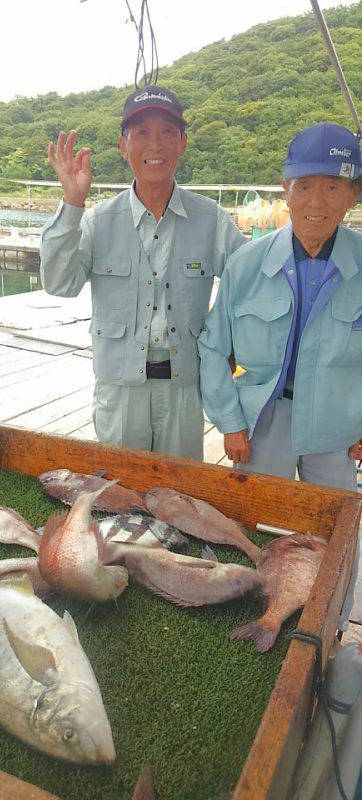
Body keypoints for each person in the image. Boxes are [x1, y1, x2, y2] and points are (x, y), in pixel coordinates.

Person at [198, 121, 362, 630]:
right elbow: (212, 349)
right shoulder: (246, 265)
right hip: (261, 421)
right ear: (285, 191)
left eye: (333, 186)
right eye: (305, 185)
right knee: (246, 521)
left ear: (352, 194)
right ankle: (249, 609)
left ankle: (328, 626)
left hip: (338, 429)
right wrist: (229, 421)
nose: (318, 201)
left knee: (339, 533)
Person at [40, 85, 245, 460]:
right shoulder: (97, 219)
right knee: (118, 491)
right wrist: (72, 203)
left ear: (183, 143)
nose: (156, 145)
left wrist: (224, 345)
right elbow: (59, 283)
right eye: (142, 133)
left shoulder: (211, 219)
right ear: (123, 145)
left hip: (184, 389)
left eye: (168, 132)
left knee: (179, 495)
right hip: (120, 389)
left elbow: (247, 287)